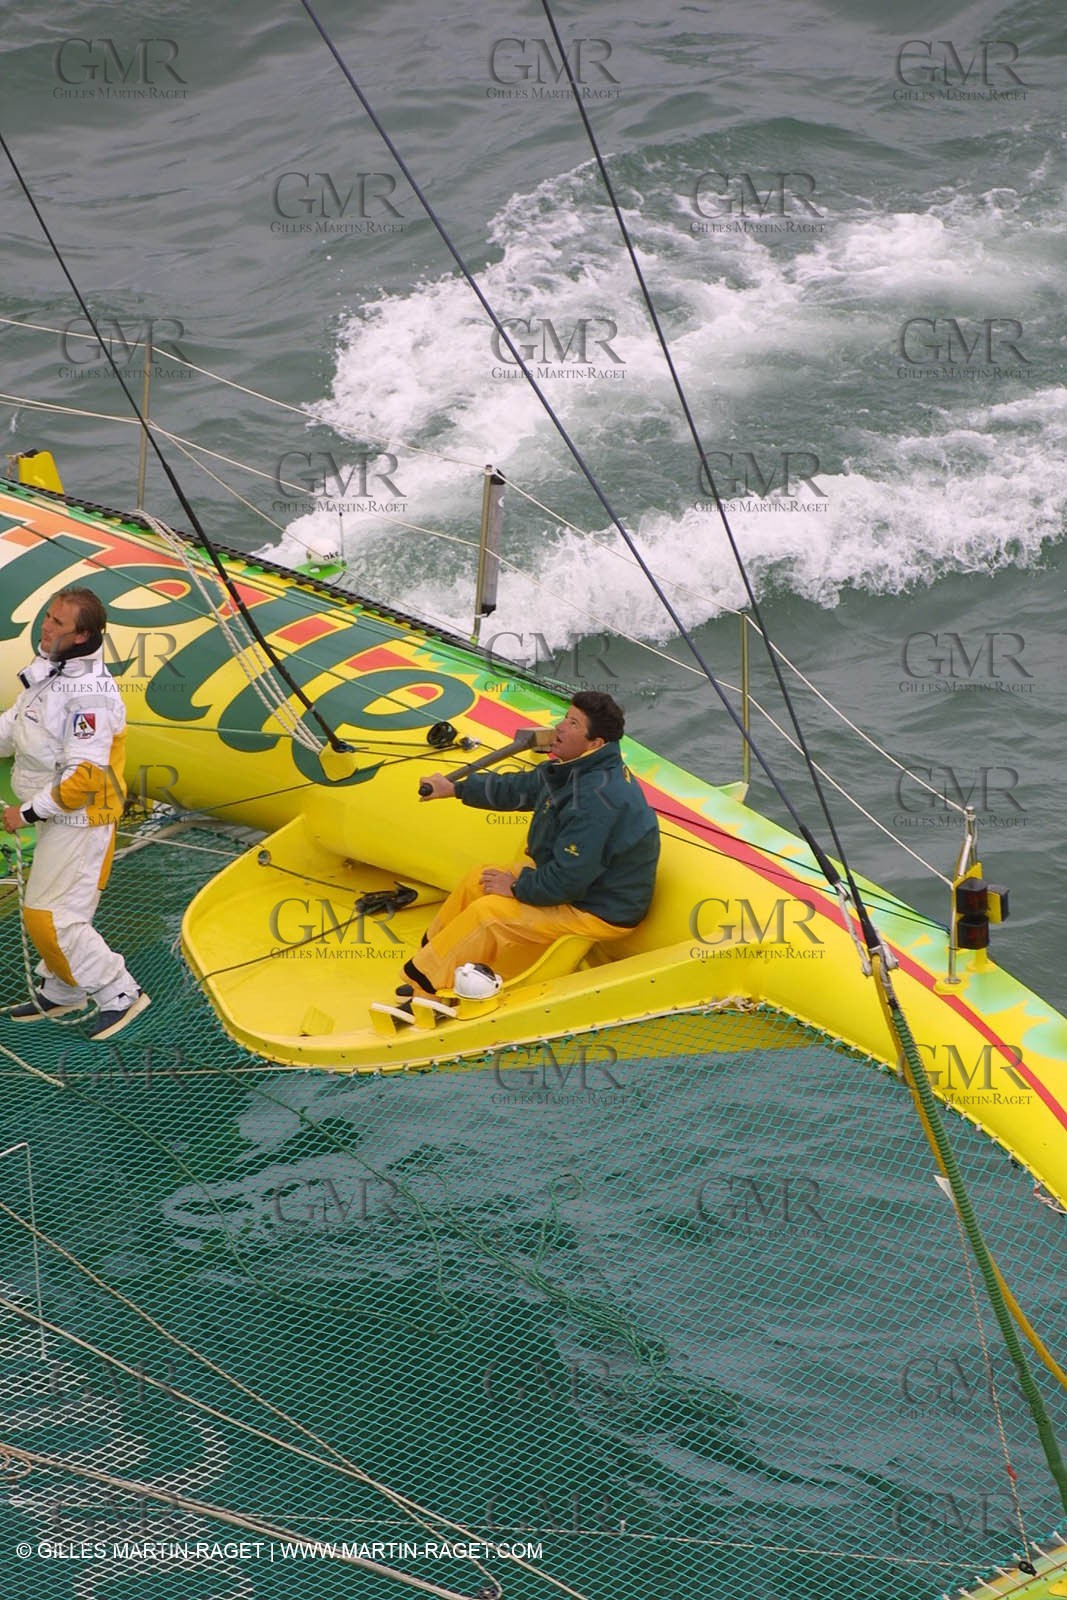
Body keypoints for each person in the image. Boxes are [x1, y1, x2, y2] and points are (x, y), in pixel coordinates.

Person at [402, 691, 659, 998]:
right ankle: (428, 960)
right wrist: (456, 789)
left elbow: (568, 881)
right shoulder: (575, 769)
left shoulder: (594, 800)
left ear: (595, 743)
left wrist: (515, 887)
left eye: (573, 723)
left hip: (596, 908)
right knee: (478, 880)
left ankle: (422, 989)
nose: (560, 726)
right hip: (576, 887)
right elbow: (517, 788)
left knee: (489, 913)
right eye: (566, 717)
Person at [0, 587, 149, 1041]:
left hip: (83, 819)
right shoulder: (50, 670)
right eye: (48, 616)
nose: (45, 627)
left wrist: (25, 815)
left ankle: (120, 991)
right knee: (43, 911)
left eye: (57, 622)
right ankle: (64, 990)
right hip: (56, 815)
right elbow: (16, 726)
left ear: (82, 635)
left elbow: (85, 779)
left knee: (53, 917)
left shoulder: (91, 695)